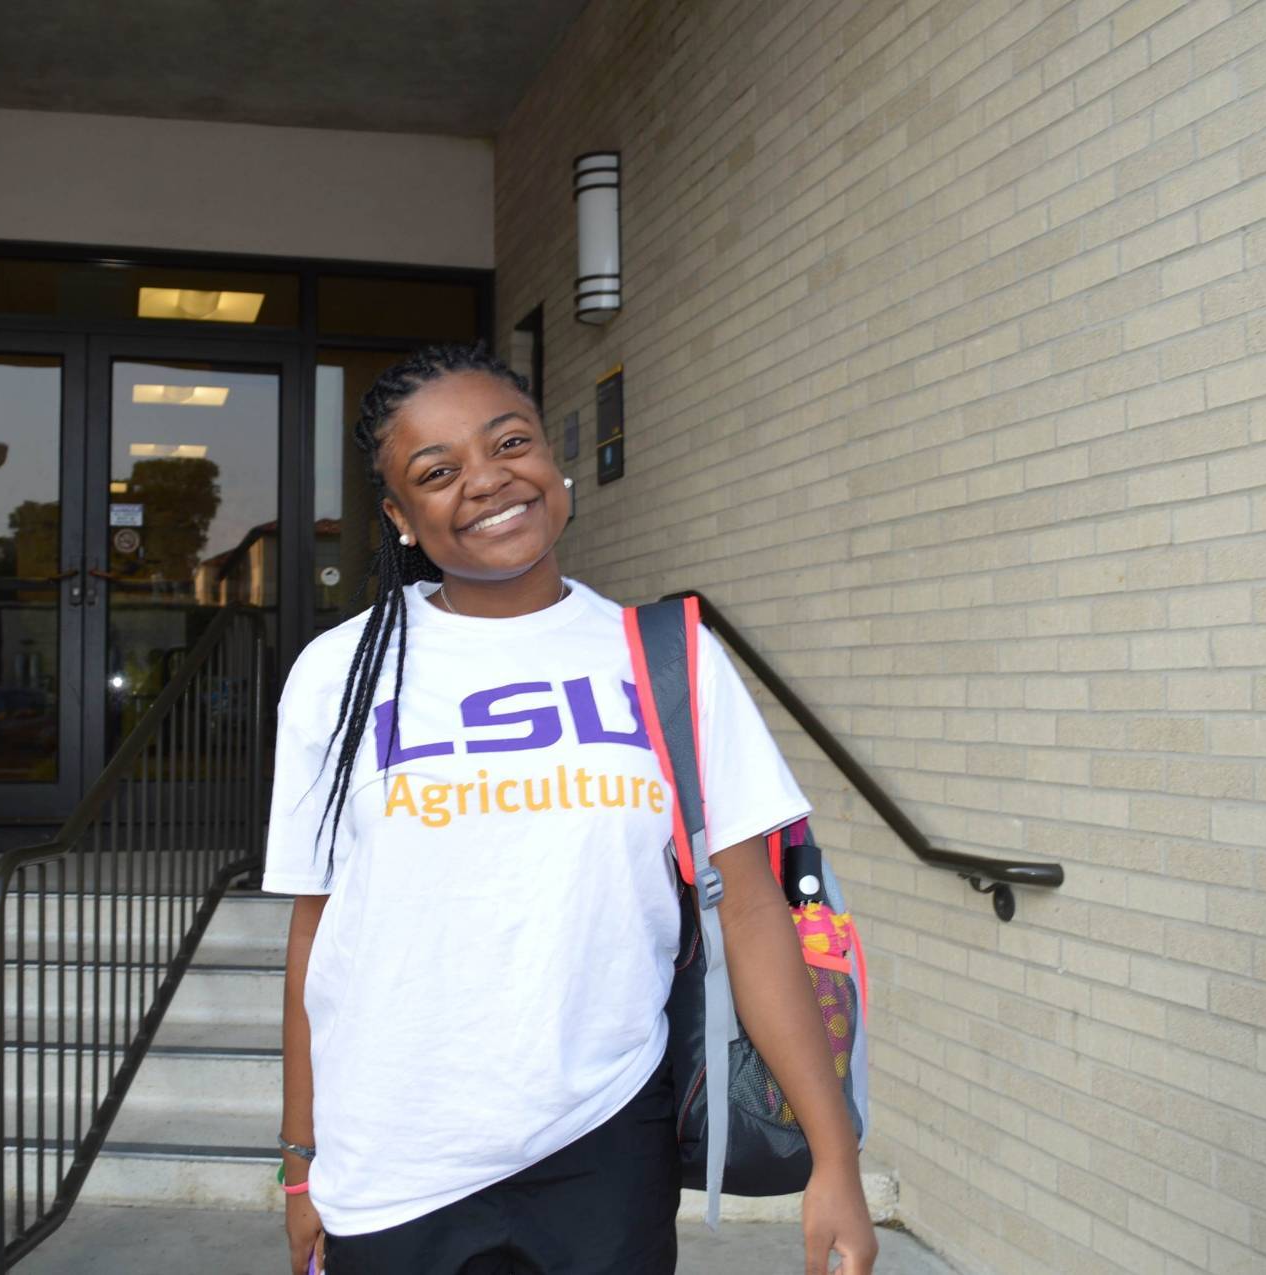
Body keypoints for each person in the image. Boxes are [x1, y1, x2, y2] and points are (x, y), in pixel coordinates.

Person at [263, 345, 877, 1275]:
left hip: (603, 1140)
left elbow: (751, 914)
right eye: (438, 471)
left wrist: (836, 1158)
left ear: (555, 461)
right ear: (399, 516)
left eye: (510, 441)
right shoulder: (338, 677)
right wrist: (301, 1159)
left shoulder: (669, 658)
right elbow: (317, 935)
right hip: (392, 1151)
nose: (488, 479)